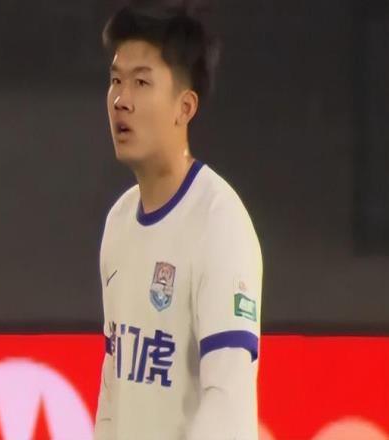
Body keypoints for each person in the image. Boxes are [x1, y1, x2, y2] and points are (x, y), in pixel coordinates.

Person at [95, 1, 263, 439]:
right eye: (115, 80)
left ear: (184, 108)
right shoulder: (119, 223)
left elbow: (227, 402)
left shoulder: (219, 223)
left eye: (141, 82)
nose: (121, 100)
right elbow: (113, 388)